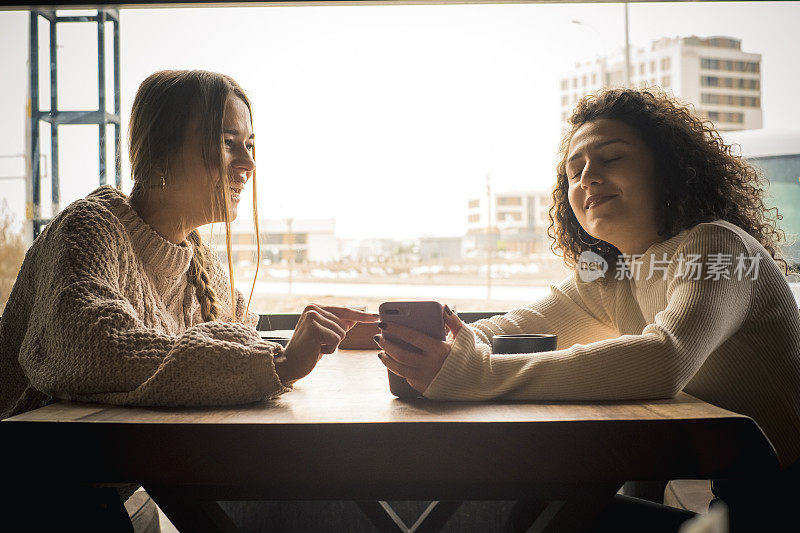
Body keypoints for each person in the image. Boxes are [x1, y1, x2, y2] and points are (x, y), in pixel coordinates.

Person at [375, 88, 800, 530]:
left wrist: (475, 375)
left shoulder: (718, 246)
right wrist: (416, 337)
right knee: (543, 511)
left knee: (556, 517)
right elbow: (517, 326)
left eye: (611, 158)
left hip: (782, 508)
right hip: (737, 500)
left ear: (670, 167)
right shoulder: (615, 273)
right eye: (574, 172)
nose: (587, 179)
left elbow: (663, 358)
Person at [0, 70, 376, 528]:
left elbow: (230, 341)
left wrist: (322, 337)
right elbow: (100, 352)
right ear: (160, 154)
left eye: (250, 145)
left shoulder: (200, 261)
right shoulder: (89, 229)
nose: (248, 164)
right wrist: (276, 365)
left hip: (127, 486)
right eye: (227, 142)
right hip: (39, 500)